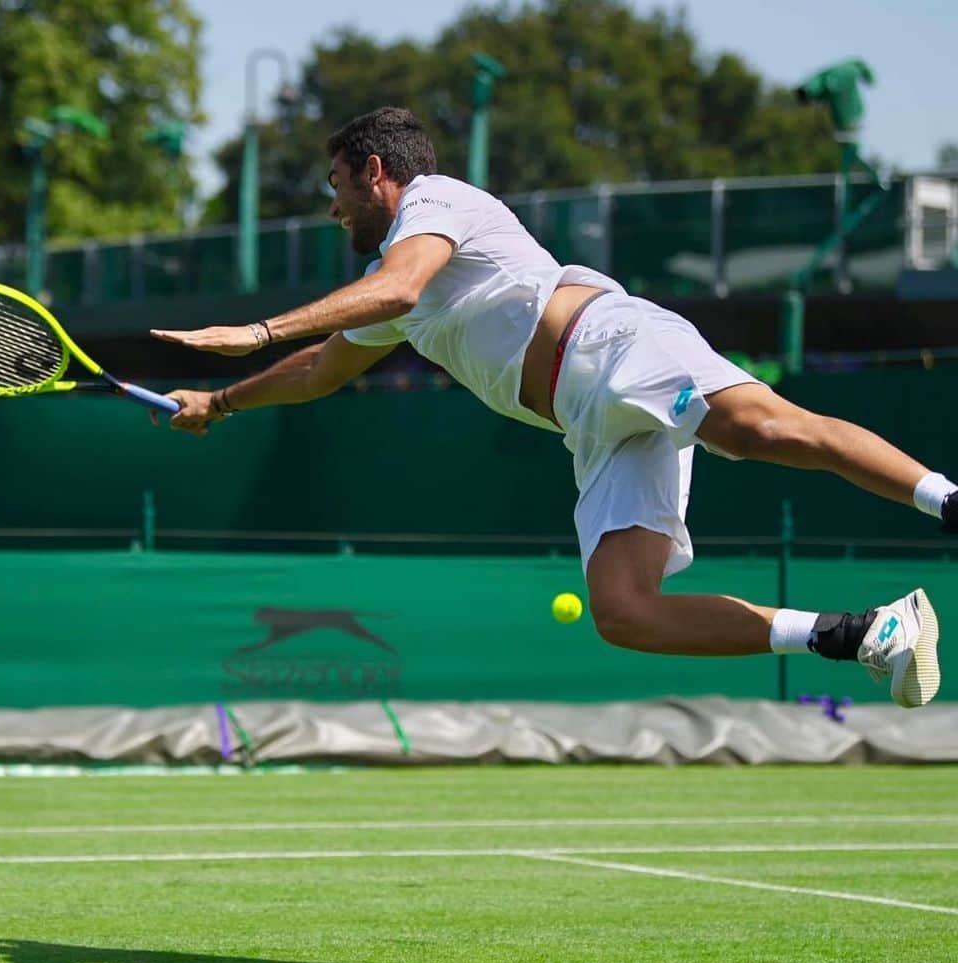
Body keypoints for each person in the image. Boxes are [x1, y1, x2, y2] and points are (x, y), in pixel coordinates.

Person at [151, 106, 951, 708]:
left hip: (614, 344)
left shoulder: (434, 202)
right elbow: (322, 370)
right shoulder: (397, 291)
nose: (333, 209)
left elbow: (392, 286)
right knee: (624, 612)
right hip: (590, 424)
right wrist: (221, 400)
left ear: (374, 170)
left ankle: (947, 500)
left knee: (760, 427)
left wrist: (253, 329)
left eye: (336, 187)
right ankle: (862, 634)